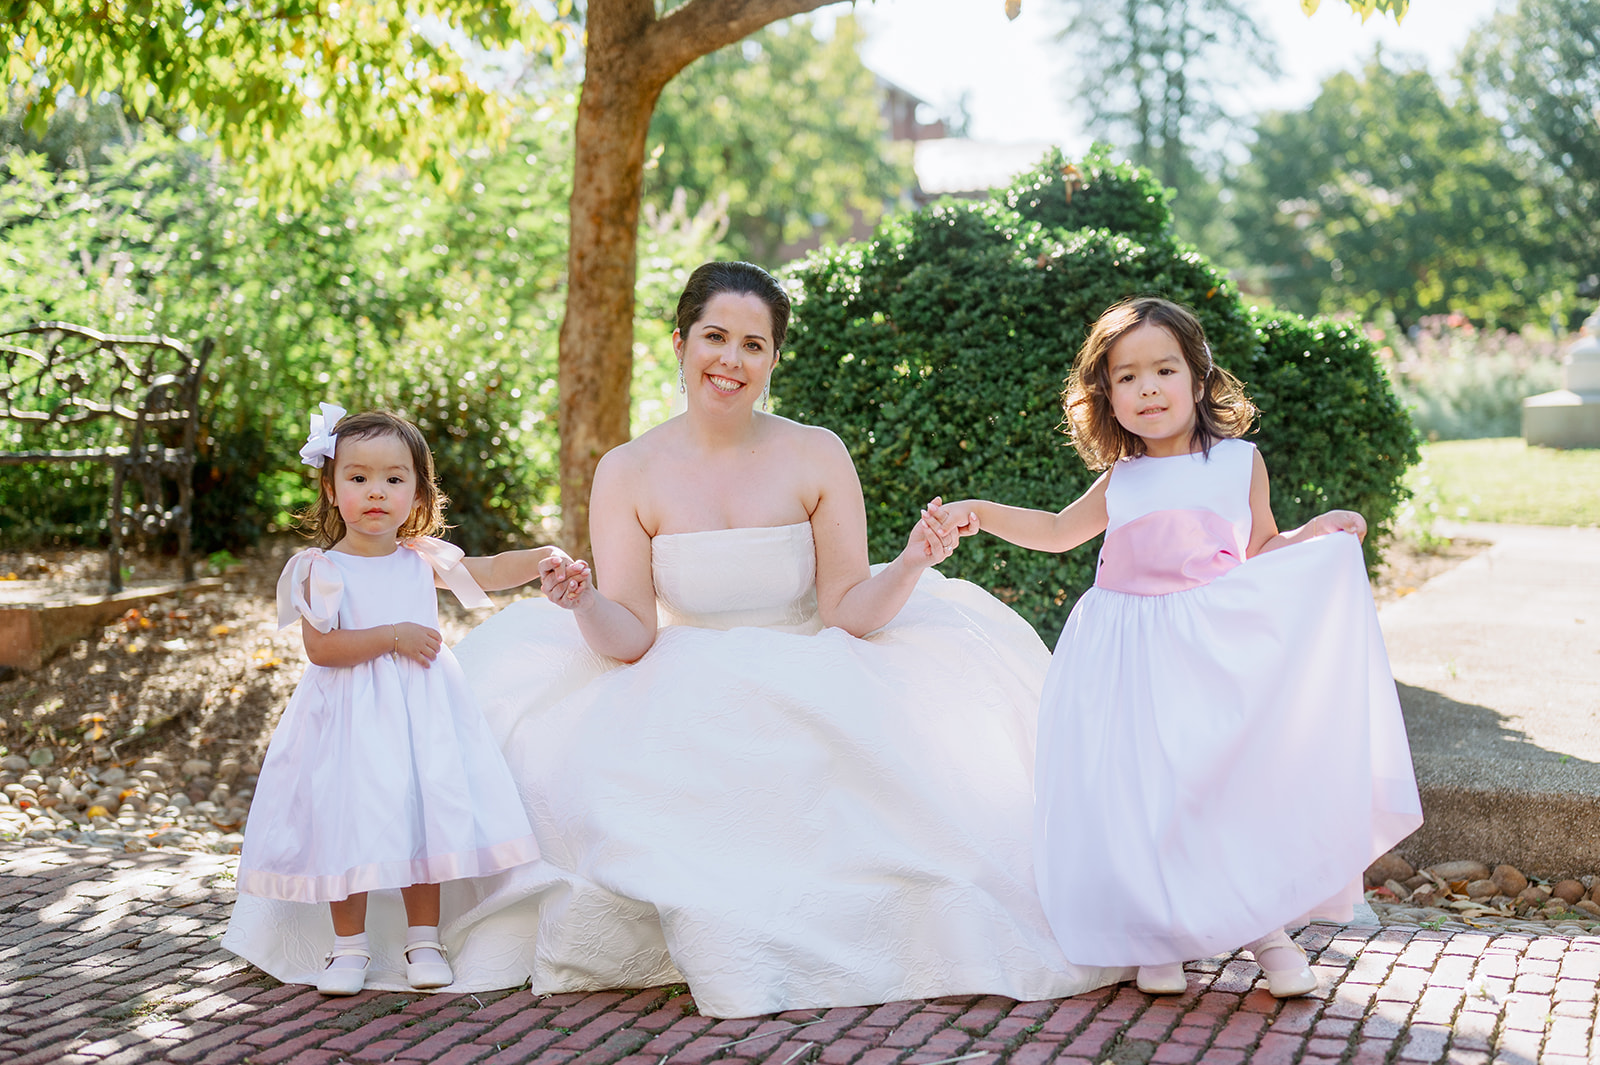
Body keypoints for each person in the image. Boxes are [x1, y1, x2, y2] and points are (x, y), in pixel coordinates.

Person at [441, 261, 1131, 1018]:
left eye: (753, 345)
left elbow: (846, 607)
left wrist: (909, 562)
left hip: (810, 654)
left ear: (773, 358)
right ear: (679, 341)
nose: (731, 361)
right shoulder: (628, 469)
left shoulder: (815, 453)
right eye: (714, 337)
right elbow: (632, 634)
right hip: (682, 671)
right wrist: (581, 603)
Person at [934, 296, 1422, 998]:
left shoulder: (1237, 463)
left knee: (1215, 787)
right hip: (1124, 655)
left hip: (1208, 651)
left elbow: (1260, 548)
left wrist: (1315, 533)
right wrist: (976, 512)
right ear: (1108, 396)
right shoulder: (1122, 479)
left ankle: (1267, 933)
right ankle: (1156, 936)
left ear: (1198, 380)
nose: (1148, 388)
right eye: (1127, 377)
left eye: (1164, 369)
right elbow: (1054, 530)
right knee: (1143, 794)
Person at [222, 406, 573, 995]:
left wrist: (540, 558)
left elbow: (485, 571)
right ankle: (347, 949)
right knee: (345, 819)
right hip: (348, 716)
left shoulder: (420, 558)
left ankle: (423, 941)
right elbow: (321, 648)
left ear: (416, 492)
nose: (376, 492)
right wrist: (392, 636)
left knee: (423, 817)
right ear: (332, 489)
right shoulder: (320, 569)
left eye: (393, 479)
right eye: (358, 478)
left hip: (421, 713)